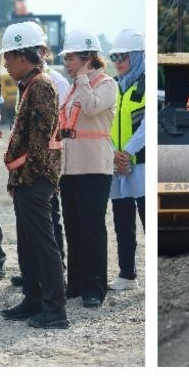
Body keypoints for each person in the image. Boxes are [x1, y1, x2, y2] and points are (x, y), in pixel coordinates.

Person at [1, 21, 67, 330]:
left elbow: (41, 139)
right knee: (28, 244)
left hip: (35, 179)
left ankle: (55, 309)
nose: (5, 64)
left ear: (22, 55)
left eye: (8, 57)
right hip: (27, 179)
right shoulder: (30, 85)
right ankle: (34, 298)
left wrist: (27, 177)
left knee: (43, 243)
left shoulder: (40, 86)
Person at [57, 30, 116, 309]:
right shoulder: (72, 88)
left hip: (94, 167)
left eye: (70, 58)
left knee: (92, 228)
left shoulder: (106, 84)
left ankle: (95, 287)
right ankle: (78, 282)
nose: (67, 63)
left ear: (87, 57)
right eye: (66, 58)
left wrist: (82, 79)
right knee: (74, 226)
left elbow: (92, 108)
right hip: (70, 168)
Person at [108, 29, 145, 293]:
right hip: (116, 166)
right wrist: (114, 154)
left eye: (123, 56)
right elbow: (104, 123)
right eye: (114, 56)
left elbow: (147, 125)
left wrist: (128, 152)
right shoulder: (113, 87)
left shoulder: (146, 87)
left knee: (147, 219)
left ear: (136, 56)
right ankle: (127, 274)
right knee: (122, 222)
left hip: (140, 165)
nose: (118, 61)